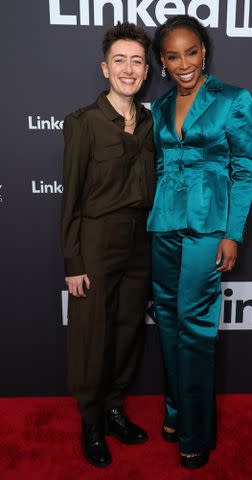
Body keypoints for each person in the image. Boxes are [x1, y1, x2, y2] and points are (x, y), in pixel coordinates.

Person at [148, 15, 252, 469]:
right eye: (173, 56)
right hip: (163, 228)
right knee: (169, 325)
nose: (183, 63)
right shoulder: (158, 107)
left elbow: (244, 169)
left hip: (207, 229)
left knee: (194, 330)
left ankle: (195, 431)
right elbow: (159, 167)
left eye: (191, 52)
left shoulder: (233, 99)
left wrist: (232, 233)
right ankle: (175, 414)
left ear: (204, 51)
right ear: (162, 63)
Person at [60, 22, 155, 468]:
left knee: (128, 330)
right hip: (96, 241)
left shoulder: (150, 121)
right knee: (92, 335)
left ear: (146, 70)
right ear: (105, 68)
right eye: (120, 60)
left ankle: (115, 408)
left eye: (137, 60)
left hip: (140, 241)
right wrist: (73, 259)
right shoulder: (83, 123)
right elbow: (71, 198)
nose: (129, 69)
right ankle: (91, 420)